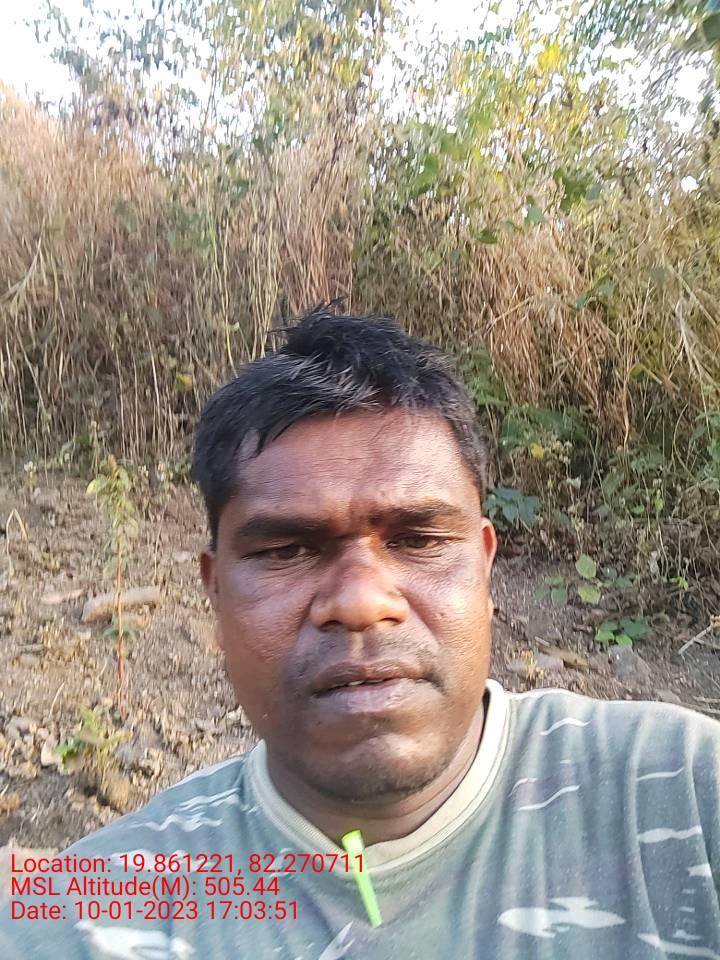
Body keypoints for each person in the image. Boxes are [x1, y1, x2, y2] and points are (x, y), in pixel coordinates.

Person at [1, 311, 718, 960]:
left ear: (485, 568)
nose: (362, 602)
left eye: (419, 540)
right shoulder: (87, 915)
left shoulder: (682, 792)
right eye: (286, 550)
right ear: (214, 593)